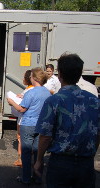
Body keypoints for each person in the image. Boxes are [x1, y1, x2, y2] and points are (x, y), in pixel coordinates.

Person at [34, 53, 100, 188]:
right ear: (80, 73)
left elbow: (45, 136)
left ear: (60, 74)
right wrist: (91, 154)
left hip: (60, 163)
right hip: (86, 163)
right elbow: (97, 132)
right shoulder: (94, 100)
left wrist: (39, 160)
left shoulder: (54, 100)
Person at [7, 67, 51, 185]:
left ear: (35, 78)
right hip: (41, 125)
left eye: (31, 76)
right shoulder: (47, 92)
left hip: (28, 124)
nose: (29, 78)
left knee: (26, 153)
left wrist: (12, 102)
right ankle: (38, 178)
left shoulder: (31, 92)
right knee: (38, 152)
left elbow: (21, 109)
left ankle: (26, 178)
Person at [13, 70, 34, 167]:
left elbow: (21, 108)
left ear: (27, 79)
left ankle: (20, 159)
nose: (22, 79)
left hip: (23, 119)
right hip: (32, 121)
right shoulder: (34, 89)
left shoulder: (27, 91)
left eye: (23, 77)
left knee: (20, 138)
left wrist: (12, 102)